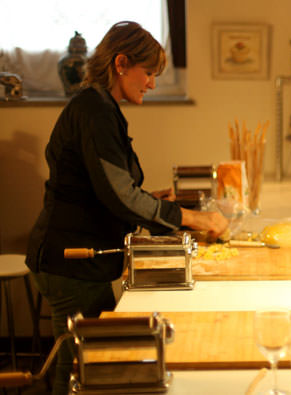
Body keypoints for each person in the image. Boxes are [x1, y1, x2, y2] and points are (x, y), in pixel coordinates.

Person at [24, 21, 228, 395]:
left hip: (74, 259)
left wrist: (151, 200)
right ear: (121, 63)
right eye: (148, 73)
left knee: (85, 366)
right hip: (70, 262)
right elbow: (120, 196)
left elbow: (105, 189)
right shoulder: (95, 111)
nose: (151, 83)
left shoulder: (99, 106)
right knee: (78, 373)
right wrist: (192, 218)